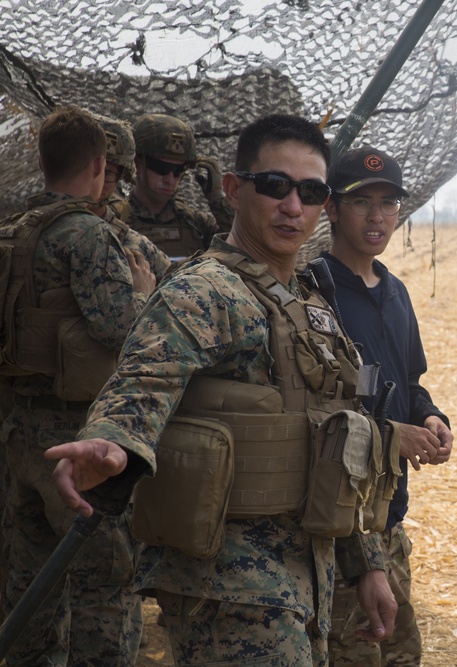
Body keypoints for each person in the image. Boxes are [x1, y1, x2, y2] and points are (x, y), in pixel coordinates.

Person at [45, 114, 397, 665]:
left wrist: (367, 561)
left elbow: (334, 434)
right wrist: (112, 439)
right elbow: (144, 379)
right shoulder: (206, 291)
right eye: (275, 186)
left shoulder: (307, 299)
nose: (292, 206)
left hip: (307, 576)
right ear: (234, 189)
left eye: (310, 192)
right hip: (229, 588)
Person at [0, 105, 156, 666]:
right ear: (98, 164)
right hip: (77, 444)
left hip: (18, 436)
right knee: (104, 590)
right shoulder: (87, 236)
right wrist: (142, 292)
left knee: (29, 591)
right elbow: (121, 328)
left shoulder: (14, 233)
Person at [313, 146, 454, 666]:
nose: (377, 217)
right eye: (361, 202)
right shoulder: (314, 292)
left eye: (388, 203)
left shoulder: (394, 292)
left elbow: (408, 382)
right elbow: (319, 412)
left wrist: (431, 417)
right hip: (338, 524)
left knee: (401, 653)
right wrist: (394, 433)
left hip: (388, 517)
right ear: (331, 209)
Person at [125, 113, 233, 260]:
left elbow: (241, 249)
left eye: (178, 170)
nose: (170, 179)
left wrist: (218, 200)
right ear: (138, 162)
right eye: (161, 168)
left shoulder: (196, 224)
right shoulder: (117, 221)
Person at [93, 115, 172, 281]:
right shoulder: (31, 230)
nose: (95, 180)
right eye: (85, 168)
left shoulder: (134, 246)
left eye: (107, 174)